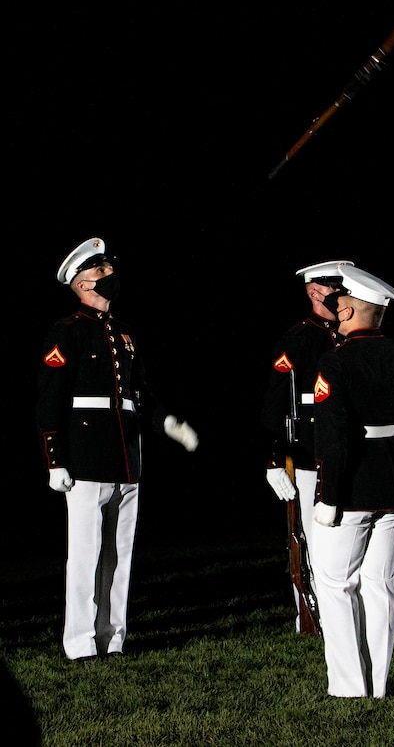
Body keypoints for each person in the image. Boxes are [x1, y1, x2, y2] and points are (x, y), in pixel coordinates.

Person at [36, 236, 199, 663]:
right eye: (101, 270)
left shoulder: (124, 333)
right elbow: (50, 400)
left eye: (109, 268)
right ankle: (79, 642)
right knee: (85, 555)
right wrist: (56, 460)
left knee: (119, 554)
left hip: (127, 455)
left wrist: (167, 422)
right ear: (83, 283)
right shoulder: (67, 331)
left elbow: (140, 391)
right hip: (86, 457)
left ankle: (112, 638)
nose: (110, 275)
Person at [311, 263, 394, 698]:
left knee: (335, 583)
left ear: (349, 311)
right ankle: (379, 683)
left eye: (339, 305)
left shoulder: (336, 360)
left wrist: (329, 494)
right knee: (380, 583)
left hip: (352, 486)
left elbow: (333, 435)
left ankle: (350, 686)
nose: (336, 311)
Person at [260, 259, 354, 632]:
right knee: (313, 540)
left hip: (346, 450)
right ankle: (312, 614)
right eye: (334, 286)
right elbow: (275, 403)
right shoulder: (298, 338)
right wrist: (273, 460)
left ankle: (342, 608)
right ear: (315, 291)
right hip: (307, 452)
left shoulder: (349, 334)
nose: (341, 292)